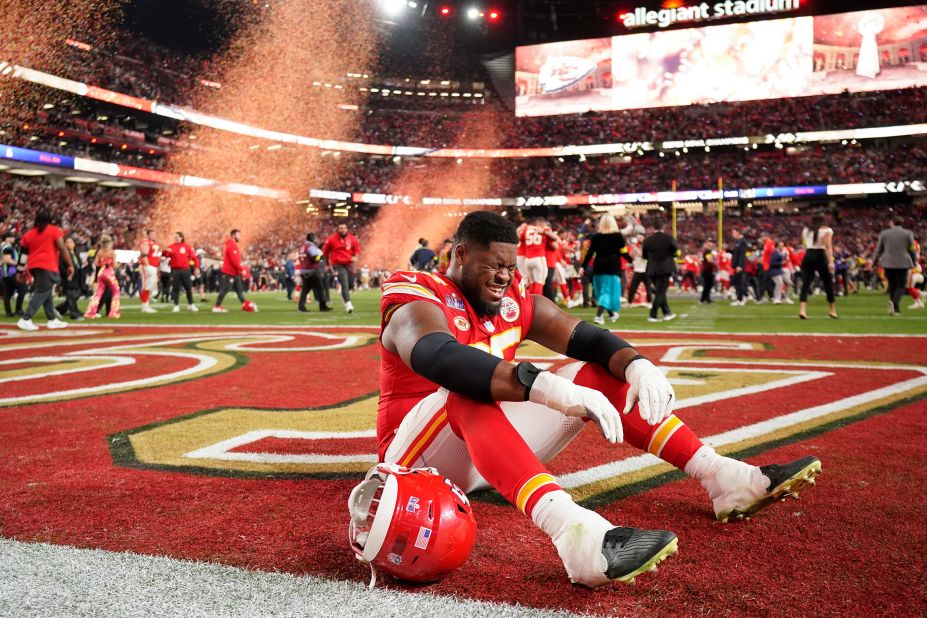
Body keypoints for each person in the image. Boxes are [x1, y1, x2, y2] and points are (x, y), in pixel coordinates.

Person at [372, 211, 820, 587]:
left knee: (592, 370)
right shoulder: (417, 290)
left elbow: (584, 337)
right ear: (461, 254)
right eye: (494, 265)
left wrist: (635, 363)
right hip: (415, 461)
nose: (505, 277)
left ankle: (722, 478)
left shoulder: (513, 299)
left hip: (479, 454)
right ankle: (577, 536)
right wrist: (540, 384)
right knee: (468, 384)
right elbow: (436, 355)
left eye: (510, 267)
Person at [17, 210, 74, 331]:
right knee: (42, 291)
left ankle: (52, 319)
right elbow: (62, 248)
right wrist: (70, 265)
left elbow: (23, 255)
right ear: (50, 220)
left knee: (46, 292)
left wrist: (19, 271)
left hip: (33, 266)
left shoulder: (28, 234)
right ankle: (25, 318)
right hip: (47, 266)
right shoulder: (54, 230)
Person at [581, 215, 631, 324]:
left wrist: (583, 266)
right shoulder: (618, 236)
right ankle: (598, 316)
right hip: (612, 268)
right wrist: (632, 261)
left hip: (598, 268)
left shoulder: (596, 237)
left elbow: (590, 254)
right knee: (607, 292)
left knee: (603, 292)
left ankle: (612, 314)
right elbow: (624, 252)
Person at [873, 216, 918, 316]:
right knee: (901, 285)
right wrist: (915, 260)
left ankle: (895, 308)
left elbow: (878, 249)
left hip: (888, 262)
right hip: (903, 262)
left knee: (892, 285)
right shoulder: (908, 233)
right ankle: (894, 303)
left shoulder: (884, 233)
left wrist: (874, 262)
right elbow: (912, 248)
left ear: (892, 222)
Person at [798, 214, 838, 320]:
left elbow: (804, 245)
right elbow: (828, 246)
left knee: (805, 284)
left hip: (808, 255)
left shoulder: (806, 230)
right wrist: (831, 262)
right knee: (827, 283)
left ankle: (802, 310)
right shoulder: (827, 230)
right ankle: (832, 310)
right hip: (820, 255)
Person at [643, 219, 678, 322]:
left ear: (653, 228)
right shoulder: (668, 238)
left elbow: (644, 255)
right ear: (663, 227)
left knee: (660, 291)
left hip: (652, 269)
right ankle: (652, 315)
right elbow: (675, 251)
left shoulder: (648, 240)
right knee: (660, 292)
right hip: (665, 268)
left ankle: (667, 313)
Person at [322, 223, 361, 314]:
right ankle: (348, 304)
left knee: (351, 284)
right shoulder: (331, 239)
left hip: (349, 264)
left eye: (344, 228)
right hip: (337, 264)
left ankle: (344, 296)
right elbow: (325, 253)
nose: (343, 230)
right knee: (344, 283)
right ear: (338, 229)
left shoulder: (352, 239)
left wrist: (356, 257)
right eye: (341, 228)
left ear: (347, 229)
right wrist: (328, 264)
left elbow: (357, 251)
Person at [83, 235, 121, 320]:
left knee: (98, 293)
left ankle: (91, 312)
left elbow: (96, 263)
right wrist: (116, 265)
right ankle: (114, 312)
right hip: (109, 273)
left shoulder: (100, 252)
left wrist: (102, 263)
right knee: (116, 291)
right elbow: (115, 265)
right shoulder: (112, 253)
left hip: (101, 272)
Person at [162, 232, 200, 313]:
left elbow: (194, 258)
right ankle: (176, 305)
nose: (176, 238)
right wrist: (165, 251)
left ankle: (191, 304)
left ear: (181, 237)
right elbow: (165, 255)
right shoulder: (171, 247)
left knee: (188, 287)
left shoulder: (187, 247)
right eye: (175, 237)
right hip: (175, 270)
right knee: (176, 288)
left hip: (186, 270)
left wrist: (197, 268)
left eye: (177, 237)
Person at [213, 228, 250, 313]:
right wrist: (241, 269)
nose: (239, 237)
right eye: (238, 235)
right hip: (230, 272)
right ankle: (217, 306)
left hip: (235, 272)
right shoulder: (231, 246)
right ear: (233, 235)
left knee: (239, 290)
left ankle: (244, 304)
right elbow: (234, 260)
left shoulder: (232, 245)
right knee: (225, 289)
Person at [298, 233, 331, 312]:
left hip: (303, 270)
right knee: (320, 288)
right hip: (312, 270)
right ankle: (322, 306)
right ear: (312, 238)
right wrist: (321, 257)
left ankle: (301, 306)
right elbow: (315, 258)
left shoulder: (302, 247)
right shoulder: (311, 247)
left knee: (305, 290)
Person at [55, 236, 84, 320]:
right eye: (67, 242)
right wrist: (67, 274)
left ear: (74, 244)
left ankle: (59, 309)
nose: (69, 244)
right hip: (68, 278)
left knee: (75, 296)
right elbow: (60, 266)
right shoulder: (62, 254)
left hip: (77, 278)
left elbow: (78, 266)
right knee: (71, 296)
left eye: (71, 242)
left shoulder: (75, 254)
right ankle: (74, 314)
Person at [1, 232, 26, 317]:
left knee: (8, 292)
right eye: (12, 237)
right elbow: (6, 259)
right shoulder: (8, 247)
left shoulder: (4, 246)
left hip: (5, 273)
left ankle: (8, 312)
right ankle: (18, 310)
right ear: (7, 238)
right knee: (23, 288)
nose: (14, 239)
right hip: (11, 272)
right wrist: (18, 264)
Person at [138, 229, 161, 313]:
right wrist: (147, 265)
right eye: (151, 234)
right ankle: (145, 305)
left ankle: (147, 301)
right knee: (146, 286)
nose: (153, 236)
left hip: (153, 266)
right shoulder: (145, 242)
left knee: (151, 285)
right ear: (148, 235)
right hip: (146, 266)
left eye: (154, 234)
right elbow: (144, 254)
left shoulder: (155, 243)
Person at [730, 229, 749, 306]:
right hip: (736, 266)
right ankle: (742, 297)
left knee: (740, 283)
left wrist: (740, 265)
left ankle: (741, 299)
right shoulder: (738, 242)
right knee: (737, 282)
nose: (732, 234)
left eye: (734, 233)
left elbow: (742, 255)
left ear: (738, 233)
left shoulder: (742, 242)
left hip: (739, 266)